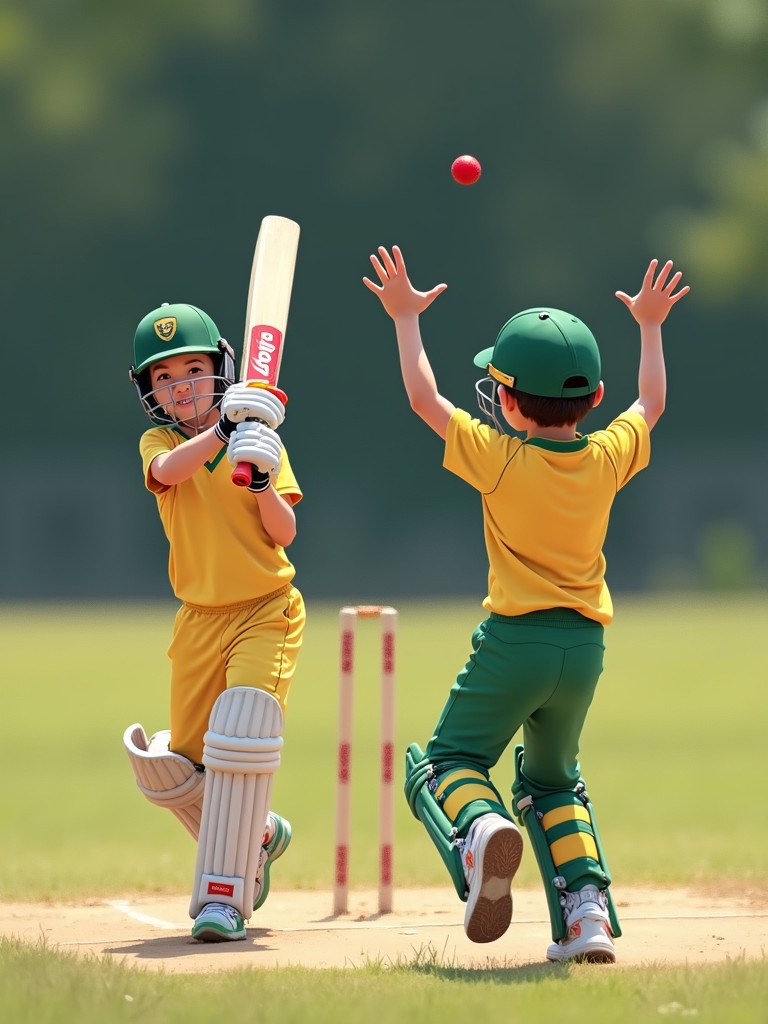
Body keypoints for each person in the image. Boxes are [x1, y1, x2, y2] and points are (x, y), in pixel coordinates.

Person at [363, 246, 688, 963]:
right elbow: (654, 401)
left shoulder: (499, 456)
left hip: (514, 642)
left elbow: (423, 397)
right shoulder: (607, 455)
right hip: (584, 650)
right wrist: (651, 325)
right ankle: (587, 916)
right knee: (552, 782)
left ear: (506, 401)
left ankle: (479, 832)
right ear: (594, 398)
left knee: (446, 763)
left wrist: (406, 317)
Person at [122, 301, 305, 942]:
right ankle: (257, 835)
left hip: (265, 609)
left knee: (244, 729)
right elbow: (170, 472)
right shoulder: (163, 443)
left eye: (193, 369)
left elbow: (285, 531)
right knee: (170, 768)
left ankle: (223, 897)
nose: (181, 386)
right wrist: (223, 435)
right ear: (152, 394)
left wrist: (259, 480)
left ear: (221, 369)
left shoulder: (261, 442)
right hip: (198, 620)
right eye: (165, 378)